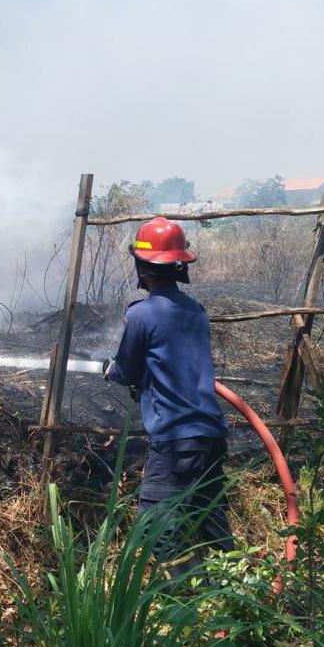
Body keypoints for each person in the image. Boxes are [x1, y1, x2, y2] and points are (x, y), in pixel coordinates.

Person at [102, 217, 234, 576]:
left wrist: (113, 371)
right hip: (209, 433)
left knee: (155, 525)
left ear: (143, 267)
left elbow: (126, 370)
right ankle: (239, 593)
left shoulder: (141, 314)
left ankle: (193, 596)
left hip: (176, 439)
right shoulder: (195, 311)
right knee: (209, 519)